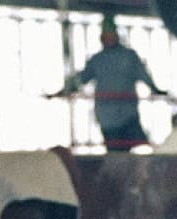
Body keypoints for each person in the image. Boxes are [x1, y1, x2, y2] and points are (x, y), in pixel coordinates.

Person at [51, 15, 167, 152]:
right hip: (107, 117)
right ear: (101, 38)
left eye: (110, 35)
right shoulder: (97, 60)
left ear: (116, 36)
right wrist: (64, 90)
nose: (108, 38)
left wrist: (155, 89)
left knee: (138, 147)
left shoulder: (129, 56)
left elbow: (143, 75)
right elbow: (81, 78)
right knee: (115, 153)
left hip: (128, 113)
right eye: (105, 35)